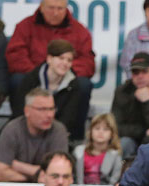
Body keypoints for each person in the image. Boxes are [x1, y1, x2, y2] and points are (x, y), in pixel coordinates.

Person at [5, 0, 94, 133]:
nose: (55, 13)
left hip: (66, 85)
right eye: (51, 8)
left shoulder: (80, 31)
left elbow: (88, 62)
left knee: (83, 85)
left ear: (66, 9)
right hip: (33, 80)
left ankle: (73, 137)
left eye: (60, 8)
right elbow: (15, 55)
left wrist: (63, 70)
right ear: (41, 7)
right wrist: (39, 74)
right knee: (17, 80)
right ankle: (20, 130)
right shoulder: (25, 26)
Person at [11, 40, 88, 142]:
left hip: (55, 135)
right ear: (49, 59)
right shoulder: (31, 80)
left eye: (69, 60)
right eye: (61, 58)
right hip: (28, 133)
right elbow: (21, 112)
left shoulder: (73, 85)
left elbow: (68, 118)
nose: (65, 63)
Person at [0, 88, 69, 183]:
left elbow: (57, 175)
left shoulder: (58, 130)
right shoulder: (12, 129)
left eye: (51, 109)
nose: (49, 115)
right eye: (42, 109)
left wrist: (17, 165)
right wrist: (35, 177)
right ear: (27, 111)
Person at [73, 113, 123, 186]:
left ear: (112, 134)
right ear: (90, 131)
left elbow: (114, 181)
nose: (101, 132)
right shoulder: (78, 151)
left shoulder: (115, 156)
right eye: (97, 128)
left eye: (105, 129)